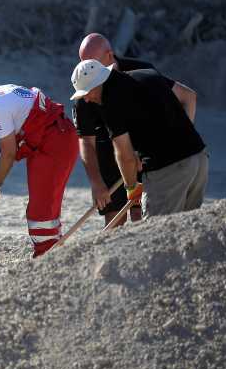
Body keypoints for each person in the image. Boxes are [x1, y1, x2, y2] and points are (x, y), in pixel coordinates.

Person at [72, 33, 198, 227]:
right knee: (114, 220)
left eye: (93, 63)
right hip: (109, 155)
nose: (88, 69)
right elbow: (86, 142)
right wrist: (97, 183)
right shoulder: (85, 86)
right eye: (84, 62)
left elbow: (188, 98)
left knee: (141, 215)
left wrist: (177, 138)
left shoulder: (141, 70)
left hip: (146, 154)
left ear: (110, 55)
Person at [0, 81, 78, 257]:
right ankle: (53, 256)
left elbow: (9, 153)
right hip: (51, 138)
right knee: (41, 209)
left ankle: (47, 258)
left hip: (56, 141)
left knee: (41, 212)